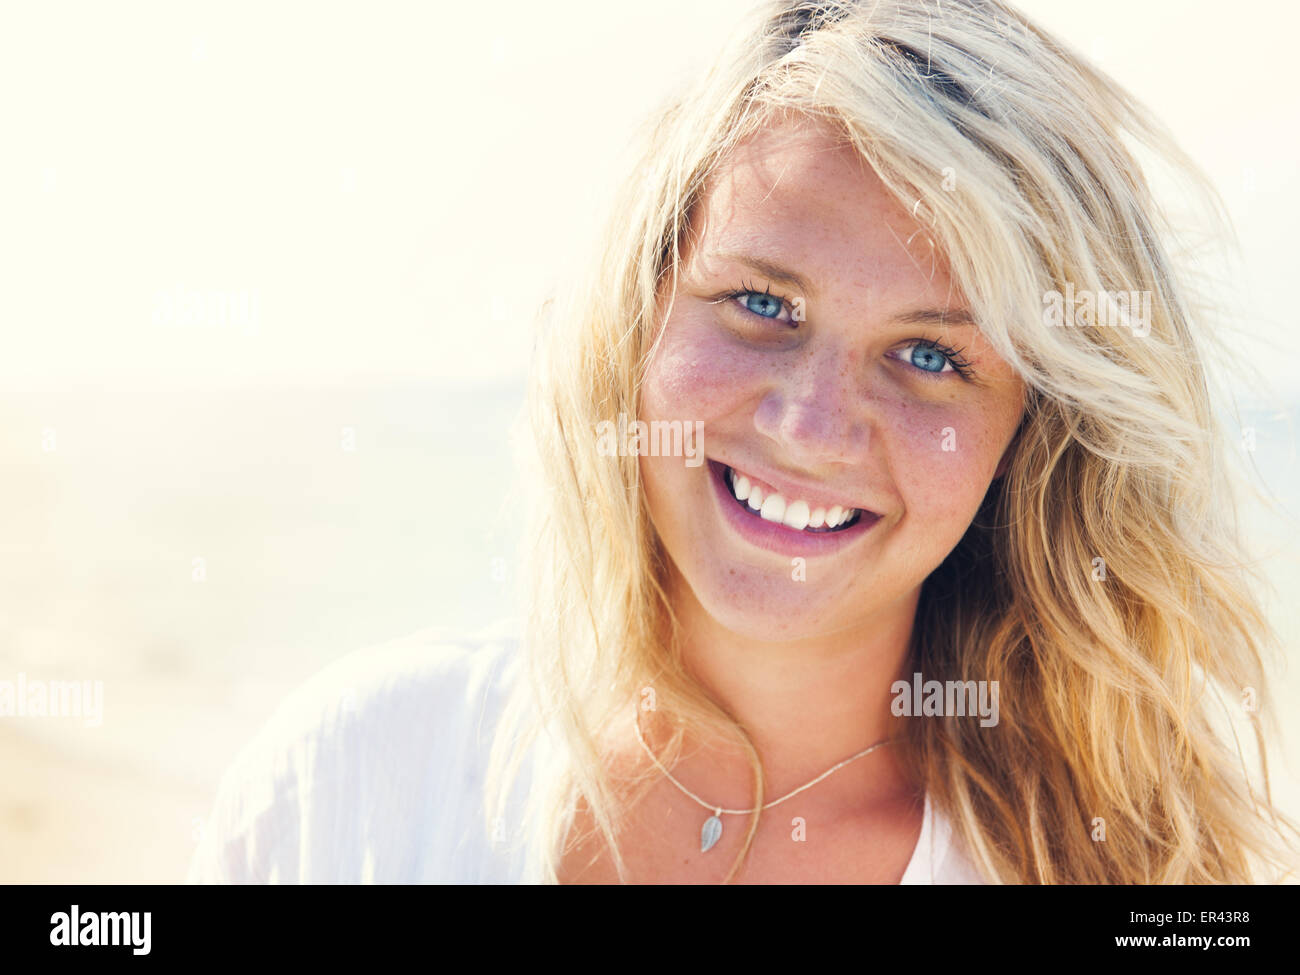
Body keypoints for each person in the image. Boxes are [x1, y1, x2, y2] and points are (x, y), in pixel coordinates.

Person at [189, 0, 1299, 884]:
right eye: (762, 304)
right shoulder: (356, 781)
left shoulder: (1112, 879)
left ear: (1029, 436)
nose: (810, 426)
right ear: (642, 308)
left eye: (929, 356)